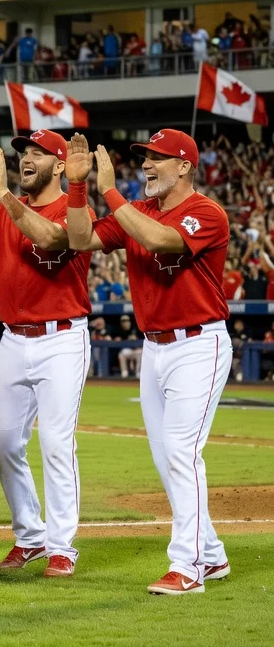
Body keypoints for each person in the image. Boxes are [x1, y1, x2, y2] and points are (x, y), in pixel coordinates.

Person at [64, 129, 233, 595]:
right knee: (167, 459)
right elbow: (79, 240)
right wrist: (77, 188)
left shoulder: (207, 212)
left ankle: (188, 567)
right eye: (145, 157)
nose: (147, 165)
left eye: (158, 158)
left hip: (200, 343)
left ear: (185, 166)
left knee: (181, 453)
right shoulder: (135, 210)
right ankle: (212, 554)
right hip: (155, 347)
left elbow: (162, 241)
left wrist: (109, 191)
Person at [0, 132, 92, 578]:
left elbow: (49, 238)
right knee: (3, 444)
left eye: (37, 153)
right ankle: (30, 536)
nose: (26, 158)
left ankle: (62, 546)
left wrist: (5, 194)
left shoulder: (74, 209)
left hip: (62, 336)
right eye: (23, 152)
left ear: (61, 166)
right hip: (14, 338)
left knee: (56, 444)